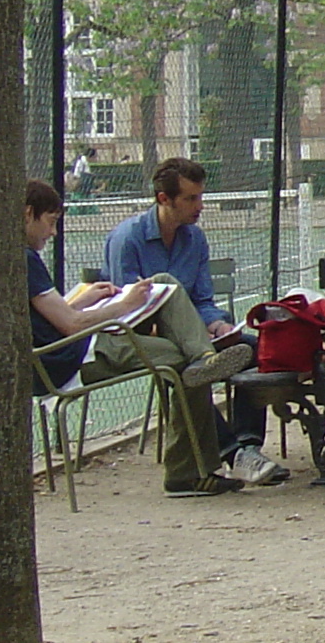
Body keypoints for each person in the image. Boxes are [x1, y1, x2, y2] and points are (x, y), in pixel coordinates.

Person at [25, 179, 254, 497]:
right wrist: (124, 306)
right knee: (180, 363)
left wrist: (84, 298)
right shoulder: (24, 258)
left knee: (164, 284)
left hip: (72, 349)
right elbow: (73, 325)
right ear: (27, 214)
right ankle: (185, 472)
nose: (53, 233)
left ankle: (203, 361)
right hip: (69, 358)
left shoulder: (20, 258)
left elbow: (54, 316)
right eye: (50, 223)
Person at [103, 157, 278, 488]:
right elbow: (124, 310)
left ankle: (249, 444)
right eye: (191, 198)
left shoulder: (195, 239)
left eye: (201, 196)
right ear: (163, 199)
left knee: (253, 348)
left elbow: (201, 300)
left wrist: (218, 326)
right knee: (185, 366)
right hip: (147, 335)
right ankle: (234, 453)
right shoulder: (127, 239)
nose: (200, 206)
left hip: (194, 334)